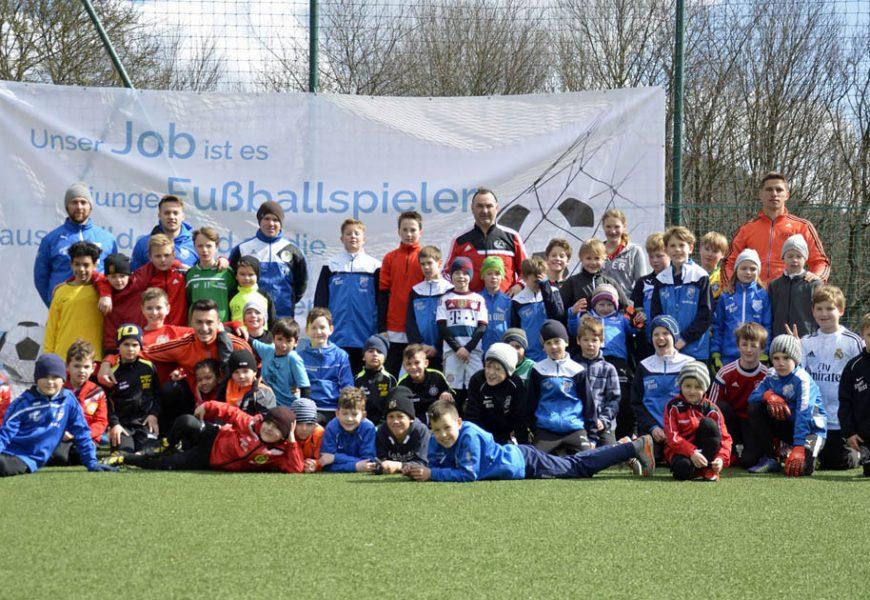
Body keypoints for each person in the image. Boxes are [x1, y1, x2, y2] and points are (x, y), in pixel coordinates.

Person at [403, 399, 655, 482]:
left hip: (525, 462)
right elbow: (435, 463)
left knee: (579, 467)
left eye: (447, 428)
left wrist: (430, 474)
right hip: (521, 461)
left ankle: (631, 446)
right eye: (436, 430)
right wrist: (415, 468)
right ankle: (624, 447)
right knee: (577, 464)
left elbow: (468, 474)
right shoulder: (437, 438)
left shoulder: (468, 433)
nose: (442, 435)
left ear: (458, 423)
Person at [98, 299, 251, 421]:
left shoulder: (236, 345)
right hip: (196, 403)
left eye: (209, 322)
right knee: (171, 388)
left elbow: (255, 371)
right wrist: (108, 361)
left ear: (218, 323)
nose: (204, 328)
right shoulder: (182, 345)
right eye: (199, 322)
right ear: (191, 323)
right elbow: (142, 352)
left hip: (233, 403)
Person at [0, 354, 118, 476]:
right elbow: (5, 433)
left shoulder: (68, 400)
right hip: (11, 452)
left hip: (28, 458)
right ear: (36, 379)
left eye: (55, 377)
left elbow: (81, 431)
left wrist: (92, 463)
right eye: (45, 377)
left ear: (63, 379)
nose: (50, 382)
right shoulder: (23, 403)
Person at [120, 403, 302, 473]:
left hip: (207, 458)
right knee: (187, 421)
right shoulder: (251, 424)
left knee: (169, 464)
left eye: (278, 429)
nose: (270, 429)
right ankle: (166, 444)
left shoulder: (279, 452)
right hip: (214, 436)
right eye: (270, 423)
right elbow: (231, 412)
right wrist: (208, 406)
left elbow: (296, 468)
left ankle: (129, 459)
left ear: (284, 436)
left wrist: (292, 440)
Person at [722, 171, 830, 285]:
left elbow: (820, 262)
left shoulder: (803, 227)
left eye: (779, 190)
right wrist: (730, 284)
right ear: (760, 195)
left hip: (789, 294)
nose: (774, 194)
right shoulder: (746, 229)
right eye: (769, 189)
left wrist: (815, 281)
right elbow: (729, 262)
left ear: (787, 195)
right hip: (755, 294)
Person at [799, 286, 864, 470]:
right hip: (814, 422)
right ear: (812, 311)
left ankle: (858, 452)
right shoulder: (805, 342)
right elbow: (800, 378)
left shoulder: (852, 342)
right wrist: (793, 349)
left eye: (830, 308)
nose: (824, 313)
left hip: (841, 423)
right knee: (807, 461)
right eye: (819, 308)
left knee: (841, 462)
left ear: (841, 310)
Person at [745, 335, 826, 476]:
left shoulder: (803, 380)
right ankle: (771, 457)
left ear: (795, 359)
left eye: (786, 358)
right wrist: (768, 395)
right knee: (755, 407)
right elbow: (752, 398)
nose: (780, 363)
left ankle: (812, 455)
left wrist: (799, 446)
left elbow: (804, 415)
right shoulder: (771, 375)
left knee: (802, 470)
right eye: (776, 358)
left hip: (812, 431)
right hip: (788, 425)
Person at [33, 182, 117, 307]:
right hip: (63, 308)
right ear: (67, 206)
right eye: (74, 202)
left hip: (97, 309)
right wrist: (53, 303)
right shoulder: (50, 239)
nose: (79, 207)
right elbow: (41, 277)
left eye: (83, 202)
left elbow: (114, 275)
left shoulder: (108, 239)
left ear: (90, 206)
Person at [314, 218, 381, 373]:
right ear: (341, 238)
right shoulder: (330, 265)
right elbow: (320, 302)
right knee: (337, 376)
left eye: (357, 233)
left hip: (365, 334)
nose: (353, 236)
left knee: (362, 380)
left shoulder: (375, 266)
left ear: (364, 239)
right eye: (348, 233)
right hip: (336, 335)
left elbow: (381, 302)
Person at [569, 284, 635, 438]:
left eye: (609, 304)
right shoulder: (587, 318)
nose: (605, 308)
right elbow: (573, 330)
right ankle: (590, 428)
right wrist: (572, 314)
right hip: (594, 359)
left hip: (617, 361)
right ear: (594, 304)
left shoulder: (620, 318)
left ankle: (624, 435)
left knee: (622, 396)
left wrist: (636, 319)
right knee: (593, 392)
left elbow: (634, 329)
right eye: (601, 304)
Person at [229, 200, 308, 319]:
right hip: (252, 317)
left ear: (281, 223)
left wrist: (288, 302)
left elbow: (301, 283)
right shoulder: (243, 249)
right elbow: (231, 281)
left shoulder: (292, 250)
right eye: (266, 218)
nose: (271, 223)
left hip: (283, 317)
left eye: (275, 220)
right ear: (260, 221)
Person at [526, 319, 595, 455]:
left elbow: (588, 404)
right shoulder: (538, 369)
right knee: (535, 466)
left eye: (557, 341)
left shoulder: (577, 370)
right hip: (546, 430)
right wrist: (535, 431)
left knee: (588, 463)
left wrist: (592, 436)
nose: (554, 347)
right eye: (548, 343)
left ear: (566, 342)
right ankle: (558, 453)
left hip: (574, 428)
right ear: (543, 347)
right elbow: (531, 403)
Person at [444, 188, 527, 294]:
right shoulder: (460, 240)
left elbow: (526, 272)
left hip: (505, 305)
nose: (484, 211)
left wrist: (519, 286)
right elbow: (446, 274)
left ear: (497, 207)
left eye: (489, 206)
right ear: (472, 208)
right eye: (479, 206)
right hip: (471, 307)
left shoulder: (512, 237)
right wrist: (462, 293)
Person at [650, 226, 712, 361]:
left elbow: (705, 315)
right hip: (668, 349)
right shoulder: (661, 279)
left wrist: (684, 339)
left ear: (690, 248)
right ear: (666, 250)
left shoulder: (700, 276)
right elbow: (657, 316)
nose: (677, 249)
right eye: (672, 246)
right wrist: (668, 340)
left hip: (695, 350)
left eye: (681, 245)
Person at [631, 316, 694, 450]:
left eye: (665, 333)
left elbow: (695, 402)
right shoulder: (644, 366)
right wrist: (652, 427)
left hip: (681, 429)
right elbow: (636, 403)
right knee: (653, 454)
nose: (660, 338)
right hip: (653, 431)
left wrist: (675, 429)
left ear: (674, 336)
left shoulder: (689, 364)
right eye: (656, 334)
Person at [708, 322, 768, 462]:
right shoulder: (725, 373)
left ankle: (768, 451)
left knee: (748, 461)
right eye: (744, 344)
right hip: (730, 425)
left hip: (752, 425)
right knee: (721, 407)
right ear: (738, 346)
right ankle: (729, 447)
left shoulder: (767, 375)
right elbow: (711, 408)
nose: (748, 350)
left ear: (762, 349)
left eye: (754, 345)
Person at [664, 361, 732, 481]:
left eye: (698, 387)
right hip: (682, 452)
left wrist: (721, 458)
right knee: (682, 470)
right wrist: (692, 452)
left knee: (709, 424)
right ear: (681, 385)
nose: (692, 391)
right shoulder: (672, 406)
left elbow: (725, 438)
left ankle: (709, 468)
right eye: (688, 386)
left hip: (706, 451)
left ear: (705, 388)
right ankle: (697, 470)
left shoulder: (713, 409)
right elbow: (672, 437)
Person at [378, 211, 425, 376]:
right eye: (404, 230)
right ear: (398, 231)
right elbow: (383, 294)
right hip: (394, 327)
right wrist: (382, 326)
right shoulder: (389, 258)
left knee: (416, 373)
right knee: (389, 373)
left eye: (413, 230)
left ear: (421, 231)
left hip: (418, 327)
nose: (409, 234)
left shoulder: (426, 258)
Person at [436, 257, 488, 401]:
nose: (461, 277)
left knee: (475, 389)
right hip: (453, 353)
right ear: (451, 276)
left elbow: (482, 327)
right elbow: (441, 326)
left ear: (470, 276)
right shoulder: (445, 299)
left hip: (473, 353)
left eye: (465, 273)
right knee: (453, 392)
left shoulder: (478, 299)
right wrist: (458, 348)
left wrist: (468, 349)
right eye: (457, 273)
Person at [710, 249, 772, 368]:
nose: (748, 272)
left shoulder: (763, 295)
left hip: (755, 357)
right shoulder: (726, 296)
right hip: (728, 356)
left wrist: (765, 351)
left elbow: (767, 325)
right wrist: (716, 353)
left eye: (753, 269)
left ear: (758, 271)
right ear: (736, 270)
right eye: (743, 268)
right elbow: (718, 326)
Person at [49, 340, 108, 466]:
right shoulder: (57, 390)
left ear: (93, 368)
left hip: (86, 437)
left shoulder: (97, 392)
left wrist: (83, 435)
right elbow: (49, 415)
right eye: (76, 366)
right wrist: (61, 431)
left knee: (80, 456)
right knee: (58, 458)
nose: (81, 371)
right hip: (62, 436)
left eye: (86, 367)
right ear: (67, 366)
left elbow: (101, 422)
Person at [44, 241, 104, 361]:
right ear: (71, 264)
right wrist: (48, 356)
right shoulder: (61, 291)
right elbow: (51, 328)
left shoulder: (103, 291)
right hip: (63, 358)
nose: (81, 269)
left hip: (94, 359)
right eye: (77, 264)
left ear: (95, 265)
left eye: (86, 265)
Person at [107, 325, 160, 454]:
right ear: (118, 346)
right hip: (123, 425)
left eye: (135, 345)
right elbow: (107, 402)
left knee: (148, 454)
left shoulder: (148, 367)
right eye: (126, 344)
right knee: (124, 454)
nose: (130, 349)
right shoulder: (112, 371)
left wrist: (154, 415)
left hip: (145, 423)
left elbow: (157, 395)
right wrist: (114, 424)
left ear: (140, 346)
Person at [463, 343, 528, 445]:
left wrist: (524, 447)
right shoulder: (477, 380)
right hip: (481, 434)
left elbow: (520, 418)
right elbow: (472, 416)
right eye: (488, 366)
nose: (491, 373)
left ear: (508, 371)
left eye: (497, 369)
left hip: (505, 434)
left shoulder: (515, 383)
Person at [298, 307, 354, 423]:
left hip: (333, 409)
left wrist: (342, 411)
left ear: (331, 329)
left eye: (322, 327)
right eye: (313, 328)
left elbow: (347, 388)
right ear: (306, 330)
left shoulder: (341, 356)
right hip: (308, 409)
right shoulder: (299, 357)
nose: (318, 332)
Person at [572, 316, 621, 447]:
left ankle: (625, 445)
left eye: (595, 340)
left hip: (601, 424)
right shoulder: (572, 367)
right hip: (577, 423)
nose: (590, 344)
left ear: (602, 341)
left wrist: (603, 420)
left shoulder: (608, 368)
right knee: (580, 452)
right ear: (578, 341)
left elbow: (614, 400)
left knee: (609, 454)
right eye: (585, 340)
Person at [561, 239, 631, 329]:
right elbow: (561, 312)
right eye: (588, 258)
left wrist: (637, 318)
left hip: (609, 336)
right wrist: (572, 310)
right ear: (581, 258)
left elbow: (626, 306)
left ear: (604, 258)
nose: (593, 262)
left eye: (597, 258)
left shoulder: (610, 282)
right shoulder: (571, 282)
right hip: (583, 337)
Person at [406, 245, 453, 370]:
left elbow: (450, 323)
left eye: (429, 263)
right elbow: (411, 322)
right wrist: (420, 345)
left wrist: (437, 346)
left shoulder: (449, 290)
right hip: (421, 353)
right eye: (422, 264)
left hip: (444, 351)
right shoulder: (415, 291)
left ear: (439, 263)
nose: (426, 267)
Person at [767, 234, 822, 338]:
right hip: (779, 339)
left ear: (805, 258)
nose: (794, 260)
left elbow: (820, 313)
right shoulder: (774, 285)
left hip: (806, 340)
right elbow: (769, 315)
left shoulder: (814, 284)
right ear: (783, 258)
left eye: (799, 256)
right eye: (790, 256)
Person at [510, 256, 565, 362]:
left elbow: (558, 316)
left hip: (552, 352)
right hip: (529, 355)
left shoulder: (553, 292)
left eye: (541, 281)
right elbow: (515, 329)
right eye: (536, 282)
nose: (539, 285)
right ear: (525, 279)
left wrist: (546, 289)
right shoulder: (517, 301)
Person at [252, 318, 309, 408]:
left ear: (296, 342)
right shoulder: (268, 350)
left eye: (288, 341)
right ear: (273, 338)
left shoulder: (293, 359)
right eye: (279, 339)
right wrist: (234, 326)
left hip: (287, 408)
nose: (283, 345)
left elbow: (305, 388)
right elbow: (249, 340)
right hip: (266, 405)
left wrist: (303, 416)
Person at [838, 313, 870, 476]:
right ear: (862, 335)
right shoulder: (853, 367)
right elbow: (845, 402)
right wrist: (849, 432)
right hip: (864, 437)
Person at [631, 232, 670, 360]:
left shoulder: (677, 280)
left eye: (659, 256)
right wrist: (638, 320)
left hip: (671, 339)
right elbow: (632, 312)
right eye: (651, 256)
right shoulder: (642, 282)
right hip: (647, 341)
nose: (654, 260)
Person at [319, 387, 377, 472]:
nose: (349, 418)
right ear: (337, 413)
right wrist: (355, 466)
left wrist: (335, 458)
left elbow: (368, 462)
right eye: (345, 413)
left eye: (354, 414)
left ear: (363, 416)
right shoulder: (331, 427)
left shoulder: (368, 428)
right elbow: (326, 463)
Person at [131, 195, 197, 270]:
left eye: (175, 213)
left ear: (183, 216)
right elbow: (134, 277)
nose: (171, 217)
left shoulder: (195, 243)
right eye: (167, 213)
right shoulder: (143, 243)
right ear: (159, 215)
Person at [373, 386, 430, 473]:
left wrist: (399, 466)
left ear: (411, 418)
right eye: (390, 417)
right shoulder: (382, 430)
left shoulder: (421, 431)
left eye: (400, 416)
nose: (395, 421)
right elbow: (380, 458)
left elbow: (422, 462)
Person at [185, 226, 236, 322]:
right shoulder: (190, 274)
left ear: (216, 247)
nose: (204, 250)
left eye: (208, 246)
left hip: (222, 328)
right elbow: (187, 301)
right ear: (195, 247)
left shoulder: (226, 272)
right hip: (197, 329)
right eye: (200, 246)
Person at [397, 344, 455, 425]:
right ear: (404, 366)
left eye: (417, 362)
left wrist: (446, 393)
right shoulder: (402, 384)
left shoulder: (437, 376)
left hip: (438, 418)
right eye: (409, 364)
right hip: (416, 422)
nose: (413, 367)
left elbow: (451, 393)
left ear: (425, 363)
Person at [600, 208, 650, 302]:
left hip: (625, 305)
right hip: (600, 306)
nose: (613, 231)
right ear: (603, 226)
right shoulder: (596, 251)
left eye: (617, 227)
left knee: (633, 316)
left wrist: (636, 308)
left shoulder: (635, 251)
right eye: (608, 227)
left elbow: (641, 285)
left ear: (624, 227)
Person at [215, 349, 277, 417]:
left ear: (254, 372)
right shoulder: (226, 384)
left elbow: (267, 420)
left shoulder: (263, 392)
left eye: (245, 371)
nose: (241, 376)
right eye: (236, 372)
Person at [354, 334, 396, 425]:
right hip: (361, 423)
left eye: (379, 352)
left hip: (384, 425)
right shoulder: (357, 379)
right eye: (370, 351)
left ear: (385, 358)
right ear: (363, 357)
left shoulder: (390, 380)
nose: (375, 354)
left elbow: (393, 406)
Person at [229, 255, 276, 329]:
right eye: (242, 274)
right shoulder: (231, 296)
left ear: (257, 276)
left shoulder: (265, 296)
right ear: (236, 276)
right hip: (238, 339)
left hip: (261, 339)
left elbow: (272, 321)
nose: (246, 278)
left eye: (251, 274)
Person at [477, 256, 511, 355]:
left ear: (502, 276)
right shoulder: (476, 299)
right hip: (481, 349)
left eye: (497, 273)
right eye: (489, 273)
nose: (494, 277)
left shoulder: (508, 301)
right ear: (483, 276)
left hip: (502, 349)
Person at [291, 398, 324, 473]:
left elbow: (324, 458)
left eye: (309, 424)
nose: (304, 429)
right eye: (299, 423)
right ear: (292, 422)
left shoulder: (319, 433)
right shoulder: (284, 433)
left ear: (315, 424)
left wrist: (316, 464)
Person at [699, 231, 728, 304]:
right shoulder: (692, 273)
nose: (709, 254)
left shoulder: (724, 277)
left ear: (723, 254)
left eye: (715, 251)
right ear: (700, 249)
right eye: (707, 249)